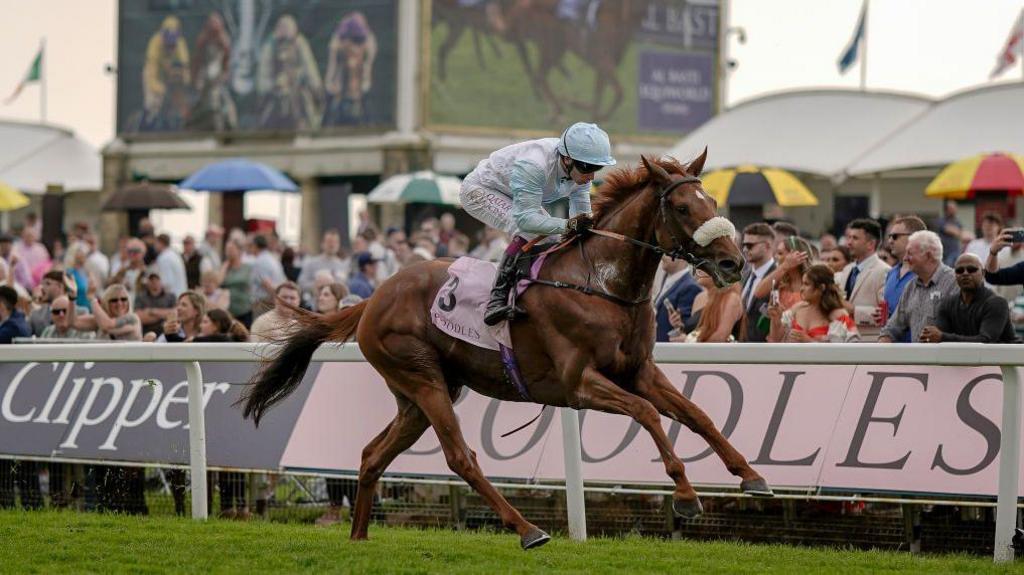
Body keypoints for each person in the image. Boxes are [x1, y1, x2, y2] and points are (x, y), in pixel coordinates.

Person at [459, 122, 615, 326]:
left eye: (597, 168)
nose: (592, 175)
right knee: (529, 230)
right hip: (480, 190)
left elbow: (581, 217)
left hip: (514, 194)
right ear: (567, 159)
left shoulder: (579, 171)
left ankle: (535, 288)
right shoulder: (535, 165)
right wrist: (569, 225)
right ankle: (497, 298)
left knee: (555, 236)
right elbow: (526, 219)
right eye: (588, 167)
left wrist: (583, 229)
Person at [879, 231, 957, 343]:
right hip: (917, 359)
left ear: (929, 255)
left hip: (945, 359)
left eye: (910, 253)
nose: (905, 258)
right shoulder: (910, 287)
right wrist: (882, 343)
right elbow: (893, 327)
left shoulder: (954, 282)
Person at [919, 253, 1017, 344]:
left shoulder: (997, 303)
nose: (965, 273)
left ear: (983, 273)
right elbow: (937, 336)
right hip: (966, 360)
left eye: (971, 269)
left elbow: (986, 341)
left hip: (1006, 360)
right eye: (959, 271)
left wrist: (943, 337)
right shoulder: (947, 303)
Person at [767, 264, 859, 343]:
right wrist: (775, 319)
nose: (801, 289)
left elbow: (844, 351)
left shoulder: (839, 315)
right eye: (802, 284)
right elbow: (776, 340)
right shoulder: (796, 309)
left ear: (821, 288)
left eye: (806, 284)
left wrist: (809, 341)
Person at [836, 218, 890, 341]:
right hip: (843, 339)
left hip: (868, 342)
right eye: (848, 237)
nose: (848, 243)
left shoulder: (884, 271)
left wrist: (854, 310)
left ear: (871, 244)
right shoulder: (847, 269)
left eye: (855, 238)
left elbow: (885, 315)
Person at [878, 216, 928, 342]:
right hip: (891, 348)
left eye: (895, 236)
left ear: (914, 237)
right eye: (889, 236)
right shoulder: (891, 272)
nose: (890, 241)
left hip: (916, 349)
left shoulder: (925, 273)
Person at [672, 268, 745, 343]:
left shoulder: (731, 298)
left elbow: (720, 337)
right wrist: (679, 326)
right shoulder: (699, 298)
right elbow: (695, 332)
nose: (698, 270)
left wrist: (688, 340)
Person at [752, 235, 814, 313]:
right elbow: (758, 293)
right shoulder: (779, 278)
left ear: (796, 255)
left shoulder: (812, 281)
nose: (775, 257)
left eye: (780, 253)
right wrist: (784, 266)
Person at [739, 223, 776, 342]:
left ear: (767, 246)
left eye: (750, 245)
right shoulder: (744, 276)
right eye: (744, 245)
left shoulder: (778, 278)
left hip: (765, 350)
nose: (745, 249)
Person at [653, 257, 701, 343]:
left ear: (682, 258)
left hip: (670, 349)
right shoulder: (666, 281)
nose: (663, 257)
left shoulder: (690, 287)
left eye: (668, 253)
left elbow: (687, 326)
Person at [297, 230, 348, 305]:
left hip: (338, 309)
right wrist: (318, 285)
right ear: (322, 244)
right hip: (317, 307)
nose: (332, 245)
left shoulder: (343, 265)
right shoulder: (311, 263)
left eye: (335, 242)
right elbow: (301, 283)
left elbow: (346, 287)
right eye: (329, 241)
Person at [77, 285, 143, 341]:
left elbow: (106, 326)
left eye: (123, 299)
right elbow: (73, 322)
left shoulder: (133, 319)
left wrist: (92, 299)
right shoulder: (100, 320)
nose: (119, 303)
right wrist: (72, 297)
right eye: (114, 300)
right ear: (106, 303)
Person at [250, 235, 287, 317]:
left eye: (251, 246)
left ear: (255, 246)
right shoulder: (272, 258)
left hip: (264, 303)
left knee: (260, 328)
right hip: (272, 301)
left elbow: (267, 284)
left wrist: (278, 300)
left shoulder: (260, 261)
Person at [221, 239, 254, 326]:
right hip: (227, 311)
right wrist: (224, 268)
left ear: (239, 251)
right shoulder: (224, 268)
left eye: (231, 250)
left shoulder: (247, 268)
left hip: (244, 310)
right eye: (226, 250)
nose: (228, 252)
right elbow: (218, 283)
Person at [134, 272, 177, 337]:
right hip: (146, 334)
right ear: (148, 282)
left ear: (161, 281)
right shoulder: (140, 297)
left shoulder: (171, 296)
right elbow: (138, 318)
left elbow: (175, 314)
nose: (154, 282)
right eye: (152, 280)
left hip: (167, 334)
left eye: (156, 280)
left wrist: (152, 311)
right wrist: (165, 314)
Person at [935, 200, 963, 267]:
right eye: (952, 208)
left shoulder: (957, 222)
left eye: (955, 208)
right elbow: (952, 231)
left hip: (956, 251)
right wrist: (957, 232)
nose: (954, 210)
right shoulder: (941, 221)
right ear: (947, 209)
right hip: (945, 253)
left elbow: (960, 233)